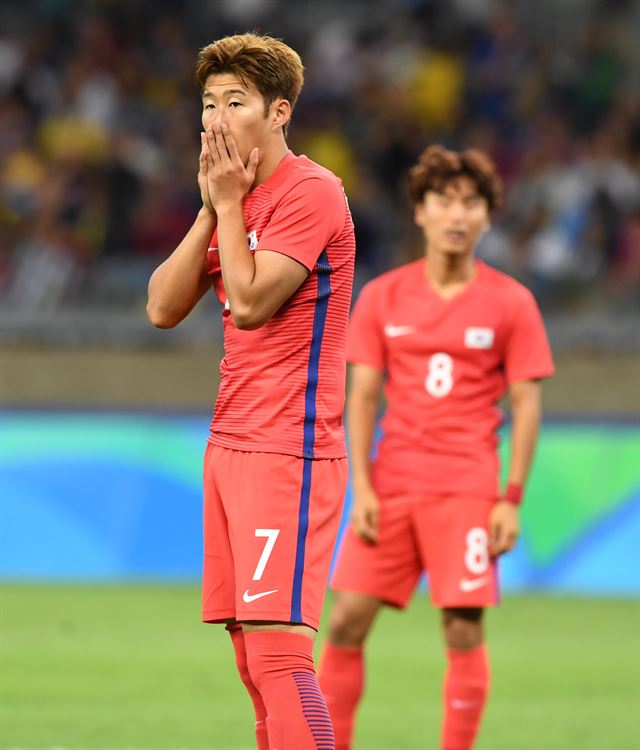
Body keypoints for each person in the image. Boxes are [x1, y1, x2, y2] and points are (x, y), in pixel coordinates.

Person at [147, 33, 355, 750]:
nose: (215, 118)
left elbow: (254, 298)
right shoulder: (232, 199)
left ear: (279, 113)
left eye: (235, 102)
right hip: (231, 447)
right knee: (250, 662)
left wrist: (230, 208)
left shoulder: (312, 192)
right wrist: (211, 210)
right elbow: (161, 308)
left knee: (280, 656)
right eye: (208, 103)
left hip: (288, 453)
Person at [318, 145, 554, 750]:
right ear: (419, 212)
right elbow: (363, 397)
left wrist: (511, 498)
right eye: (443, 201)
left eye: (471, 203)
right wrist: (363, 486)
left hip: (468, 488)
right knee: (344, 620)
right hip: (392, 483)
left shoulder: (511, 302)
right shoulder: (382, 297)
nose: (458, 215)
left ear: (487, 216)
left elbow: (526, 404)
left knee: (462, 628)